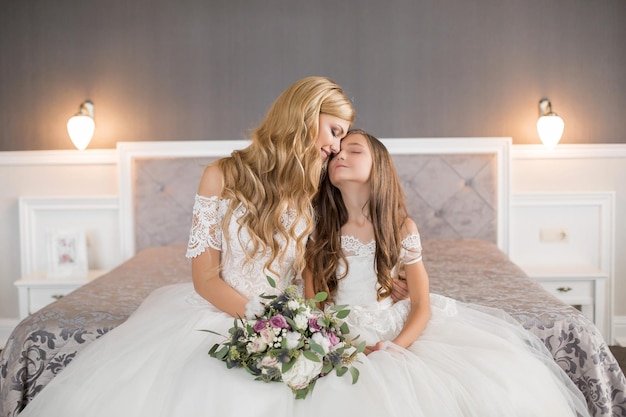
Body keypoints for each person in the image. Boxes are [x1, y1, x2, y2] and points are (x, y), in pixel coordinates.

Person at [16, 76, 358, 417]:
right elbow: (205, 279)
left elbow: (314, 271)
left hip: (289, 323)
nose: (337, 147)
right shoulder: (220, 176)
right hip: (226, 309)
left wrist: (310, 326)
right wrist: (263, 326)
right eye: (335, 131)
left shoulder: (315, 185)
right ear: (306, 114)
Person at [303, 129, 592, 417]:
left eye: (354, 150)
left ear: (378, 167)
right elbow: (312, 305)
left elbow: (421, 304)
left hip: (392, 332)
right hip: (339, 332)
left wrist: (392, 348)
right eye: (336, 153)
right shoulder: (319, 231)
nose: (340, 154)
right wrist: (339, 345)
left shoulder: (402, 228)